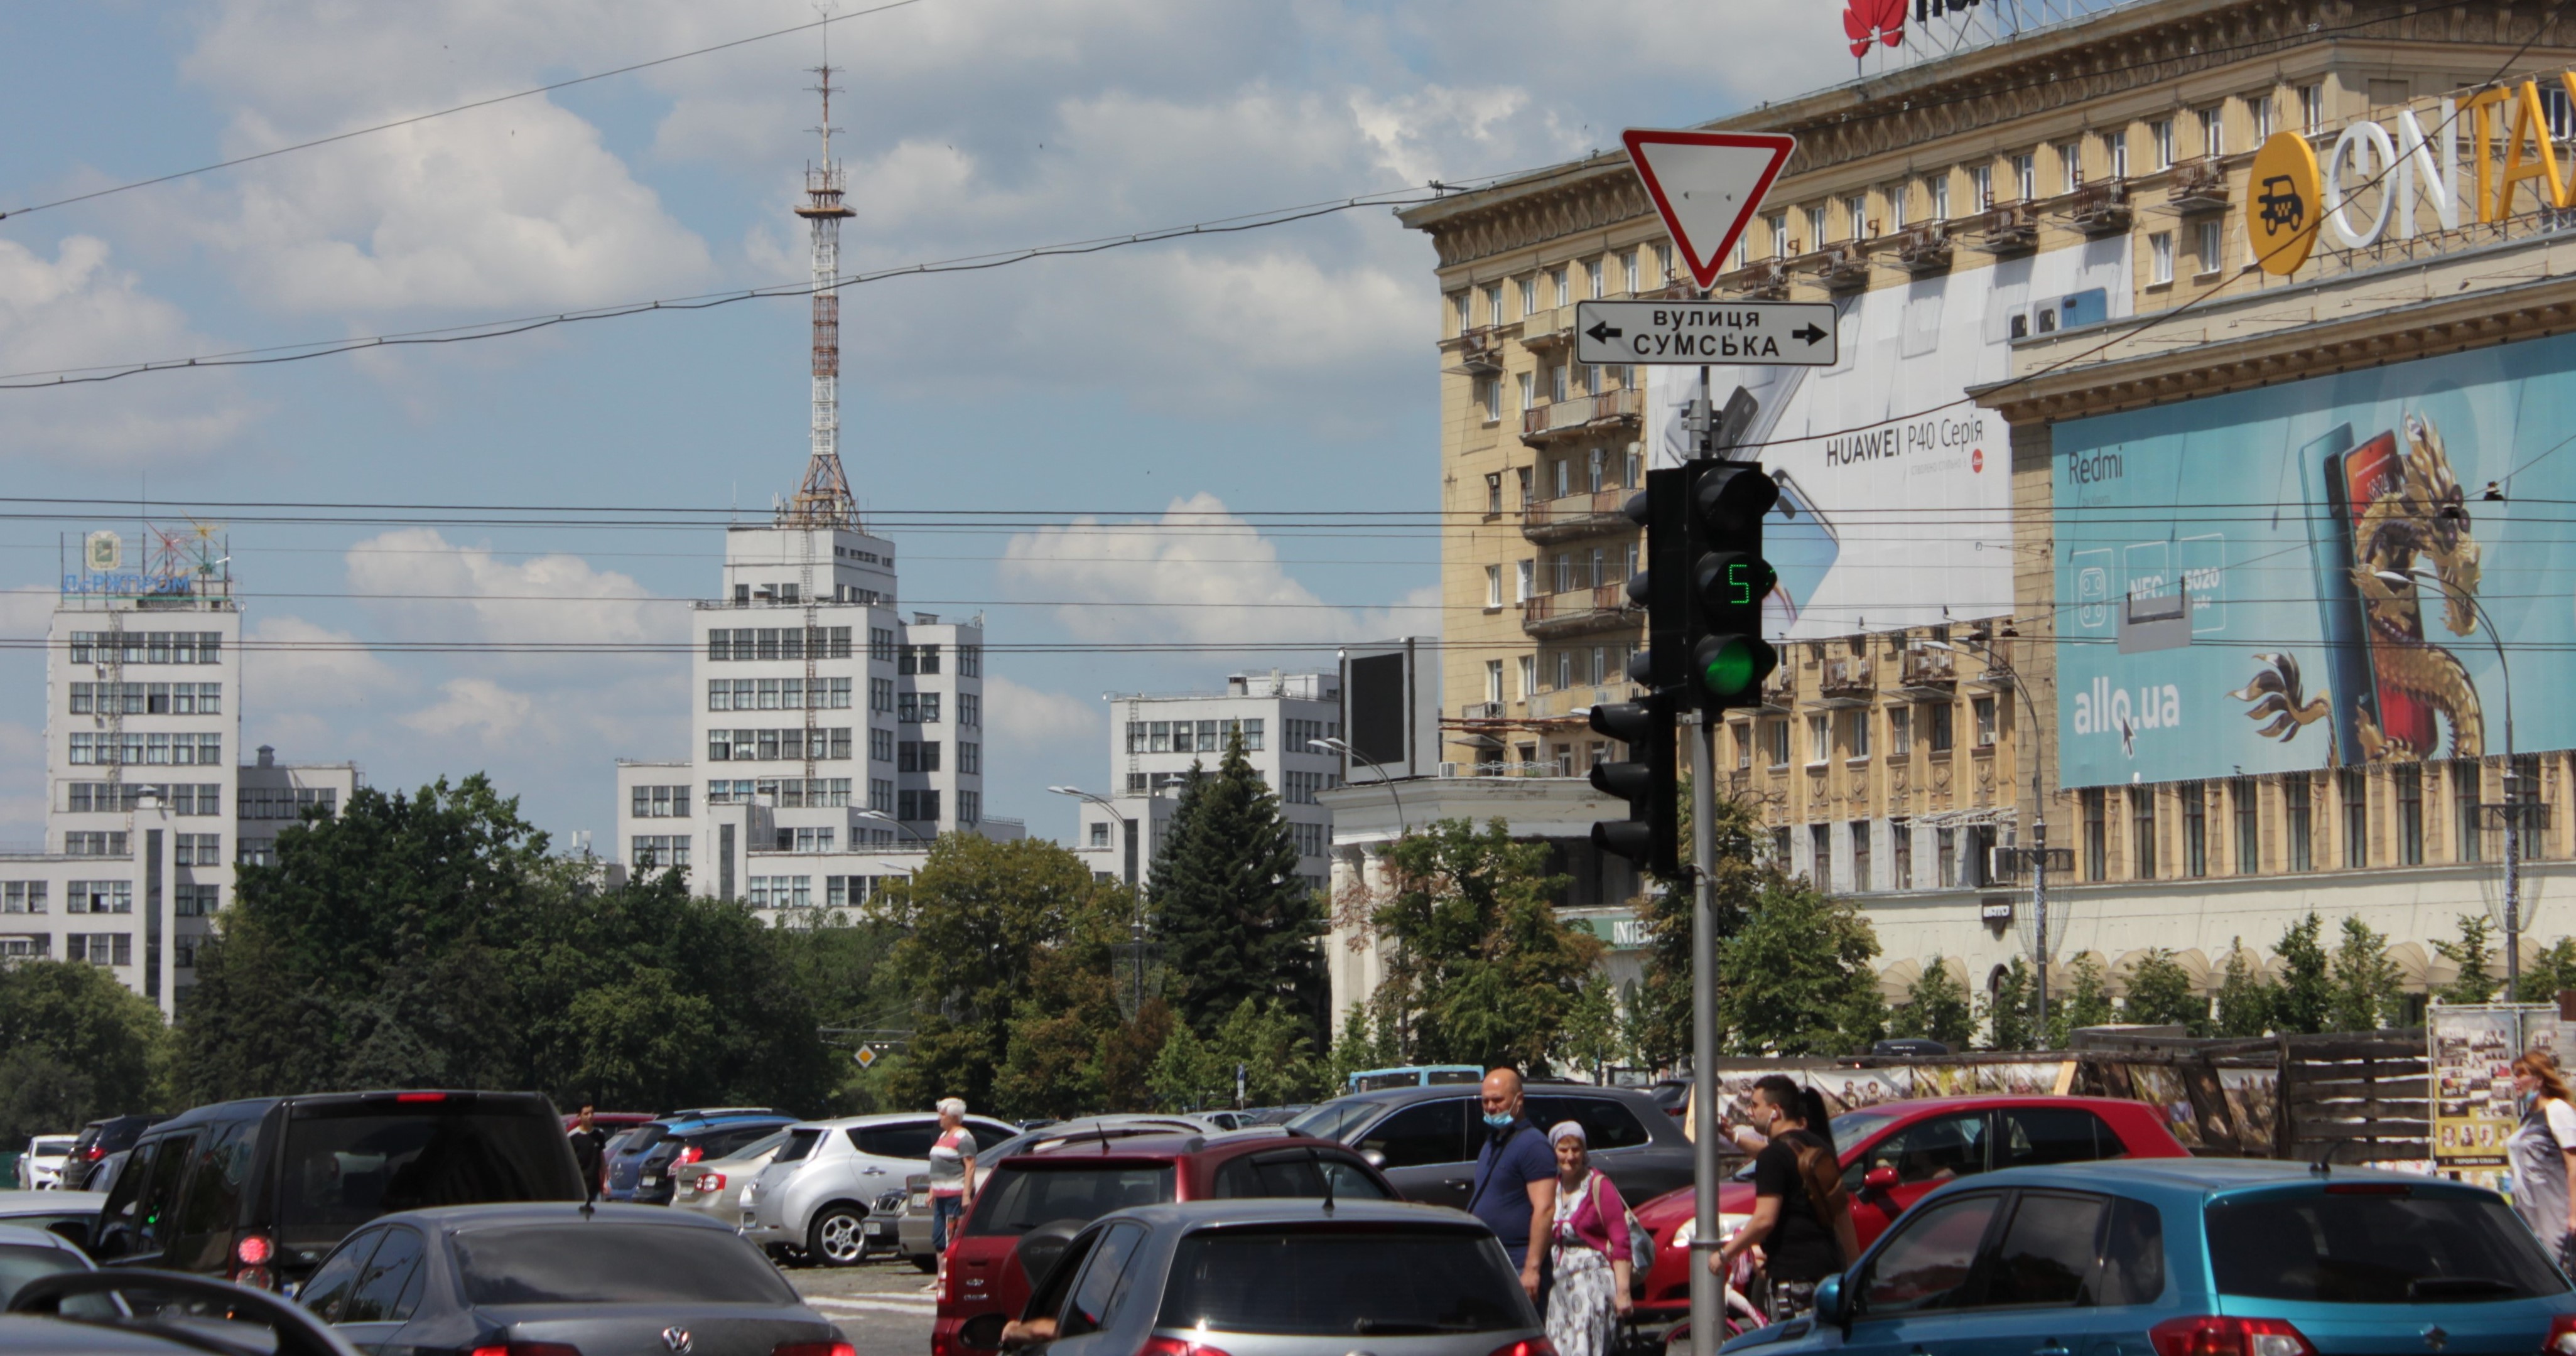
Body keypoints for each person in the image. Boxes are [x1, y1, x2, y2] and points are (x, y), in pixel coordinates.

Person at [1710, 1075, 1858, 1321]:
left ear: (1775, 1111)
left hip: (1791, 1277)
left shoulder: (1774, 1157)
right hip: (1827, 1271)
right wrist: (1854, 1265)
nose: (1751, 1111)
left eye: (1756, 1105)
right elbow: (1841, 1212)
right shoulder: (1818, 1147)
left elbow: (1764, 1219)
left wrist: (1725, 1254)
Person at [1470, 1067, 1559, 1304]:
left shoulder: (1533, 1145)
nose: (1490, 1107)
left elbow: (1545, 1209)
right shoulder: (1493, 1142)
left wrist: (1531, 1269)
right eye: (1485, 1101)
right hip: (1493, 1259)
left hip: (1519, 1262)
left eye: (1498, 1100)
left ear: (1518, 1100)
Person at [1544, 1121, 1632, 1356]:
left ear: (1584, 1152)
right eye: (1563, 1150)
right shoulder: (1552, 1187)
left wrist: (1623, 1293)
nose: (1570, 1156)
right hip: (1560, 1288)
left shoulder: (1598, 1185)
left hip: (1591, 1287)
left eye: (1576, 1149)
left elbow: (1621, 1241)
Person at [2509, 1051, 2576, 1265]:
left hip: (2553, 1214)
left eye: (2520, 1075)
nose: (2515, 1081)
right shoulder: (2529, 1117)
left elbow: (2574, 1165)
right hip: (2527, 1215)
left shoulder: (2558, 1110)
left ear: (2538, 1079)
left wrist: (2574, 1216)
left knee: (2553, 1275)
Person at [926, 1097, 980, 1289]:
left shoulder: (964, 1138)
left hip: (955, 1195)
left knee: (952, 1236)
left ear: (954, 1117)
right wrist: (932, 1190)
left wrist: (966, 1195)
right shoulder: (943, 1136)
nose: (939, 1118)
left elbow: (970, 1166)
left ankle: (952, 1279)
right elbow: (937, 1166)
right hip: (941, 1195)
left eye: (943, 1114)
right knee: (939, 1237)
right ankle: (941, 1277)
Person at [566, 1102, 606, 1204]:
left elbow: (601, 1158)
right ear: (579, 1116)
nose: (590, 1116)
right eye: (586, 1113)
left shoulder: (599, 1134)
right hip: (579, 1186)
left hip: (595, 1186)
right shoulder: (572, 1136)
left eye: (592, 1113)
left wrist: (605, 1182)